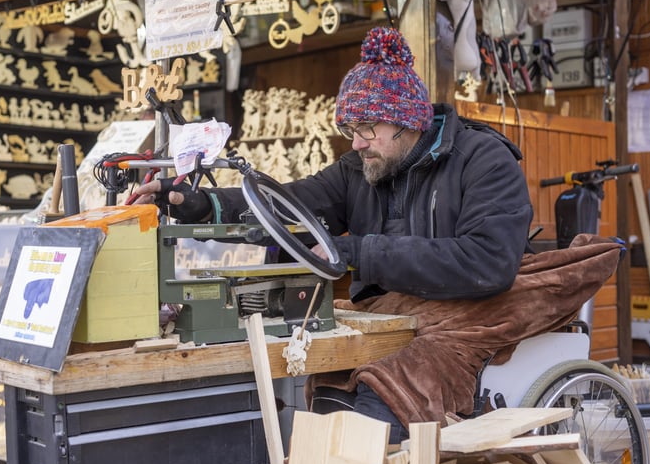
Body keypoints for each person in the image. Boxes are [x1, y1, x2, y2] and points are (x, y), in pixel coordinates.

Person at [133, 26, 535, 442]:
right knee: (331, 398)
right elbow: (290, 202)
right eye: (350, 130)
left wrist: (358, 250)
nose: (357, 143)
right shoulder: (359, 168)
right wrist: (203, 203)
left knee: (382, 401)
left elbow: (489, 262)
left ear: (407, 122)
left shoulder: (484, 160)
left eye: (366, 128)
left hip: (471, 321)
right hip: (391, 322)